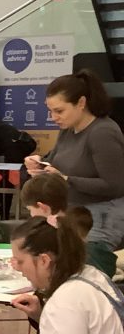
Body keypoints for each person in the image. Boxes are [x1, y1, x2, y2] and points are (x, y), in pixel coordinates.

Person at [24, 69, 124, 249]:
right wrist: (40, 164)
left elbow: (114, 185)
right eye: (50, 111)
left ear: (81, 103)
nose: (53, 117)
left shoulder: (103, 132)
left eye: (59, 111)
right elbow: (54, 161)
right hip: (72, 214)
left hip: (100, 219)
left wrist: (66, 179)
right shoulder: (67, 130)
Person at [21, 174, 117, 279]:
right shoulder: (73, 224)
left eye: (30, 210)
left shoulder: (66, 237)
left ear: (43, 207)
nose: (31, 215)